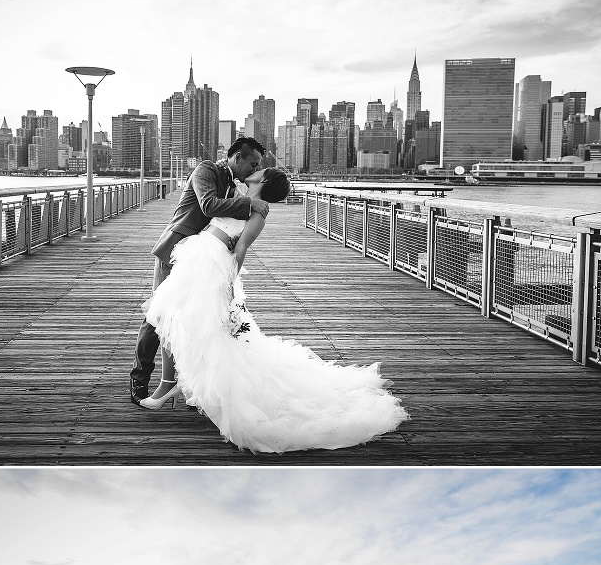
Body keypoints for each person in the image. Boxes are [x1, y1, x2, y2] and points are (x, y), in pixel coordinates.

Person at [140, 167, 409, 452]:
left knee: (182, 319)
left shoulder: (258, 215)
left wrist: (229, 288)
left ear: (264, 180)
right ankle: (172, 382)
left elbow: (240, 249)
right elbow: (209, 204)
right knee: (169, 315)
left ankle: (172, 384)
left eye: (261, 170)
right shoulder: (239, 194)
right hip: (197, 254)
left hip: (213, 267)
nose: (255, 170)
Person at [130, 137, 269, 406]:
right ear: (237, 157)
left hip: (200, 260)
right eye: (252, 164)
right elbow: (208, 205)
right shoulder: (207, 170)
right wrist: (249, 205)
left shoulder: (233, 184)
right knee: (158, 315)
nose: (253, 170)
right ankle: (140, 379)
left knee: (190, 320)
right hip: (176, 251)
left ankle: (186, 384)